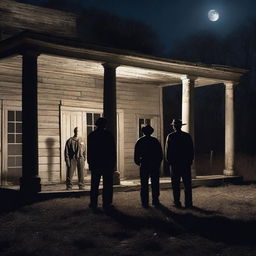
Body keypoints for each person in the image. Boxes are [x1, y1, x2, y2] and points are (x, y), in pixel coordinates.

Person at [87, 117, 116, 210]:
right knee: (107, 184)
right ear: (105, 125)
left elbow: (90, 151)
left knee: (94, 184)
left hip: (96, 163)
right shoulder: (108, 135)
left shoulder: (92, 135)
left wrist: (90, 163)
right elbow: (112, 151)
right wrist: (113, 163)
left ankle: (93, 202)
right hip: (107, 163)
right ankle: (107, 202)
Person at [165, 119, 194, 208]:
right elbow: (191, 150)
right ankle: (188, 203)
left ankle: (177, 202)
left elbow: (167, 151)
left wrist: (169, 161)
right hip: (185, 163)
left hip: (175, 164)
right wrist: (190, 161)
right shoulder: (187, 136)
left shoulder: (170, 136)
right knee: (187, 184)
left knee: (175, 184)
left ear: (174, 126)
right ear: (181, 126)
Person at [134, 125, 163, 208]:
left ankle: (144, 201)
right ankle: (155, 200)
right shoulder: (155, 141)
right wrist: (157, 163)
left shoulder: (140, 141)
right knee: (155, 183)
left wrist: (139, 163)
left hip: (144, 164)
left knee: (144, 184)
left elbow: (136, 155)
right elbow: (160, 154)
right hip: (154, 164)